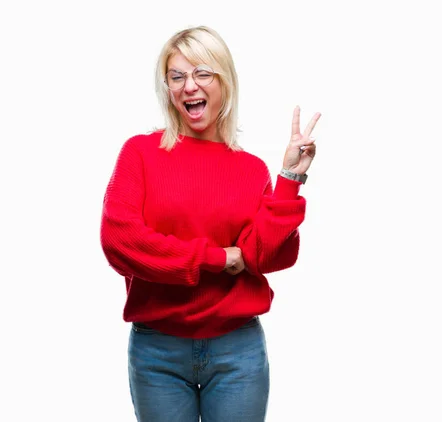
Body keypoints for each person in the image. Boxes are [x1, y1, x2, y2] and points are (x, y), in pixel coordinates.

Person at [99, 25, 320, 422]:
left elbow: (261, 255)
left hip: (237, 351)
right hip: (157, 352)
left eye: (202, 73)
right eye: (177, 76)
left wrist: (289, 178)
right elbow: (121, 241)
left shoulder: (251, 169)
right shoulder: (140, 153)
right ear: (166, 87)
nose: (189, 86)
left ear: (223, 81)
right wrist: (217, 259)